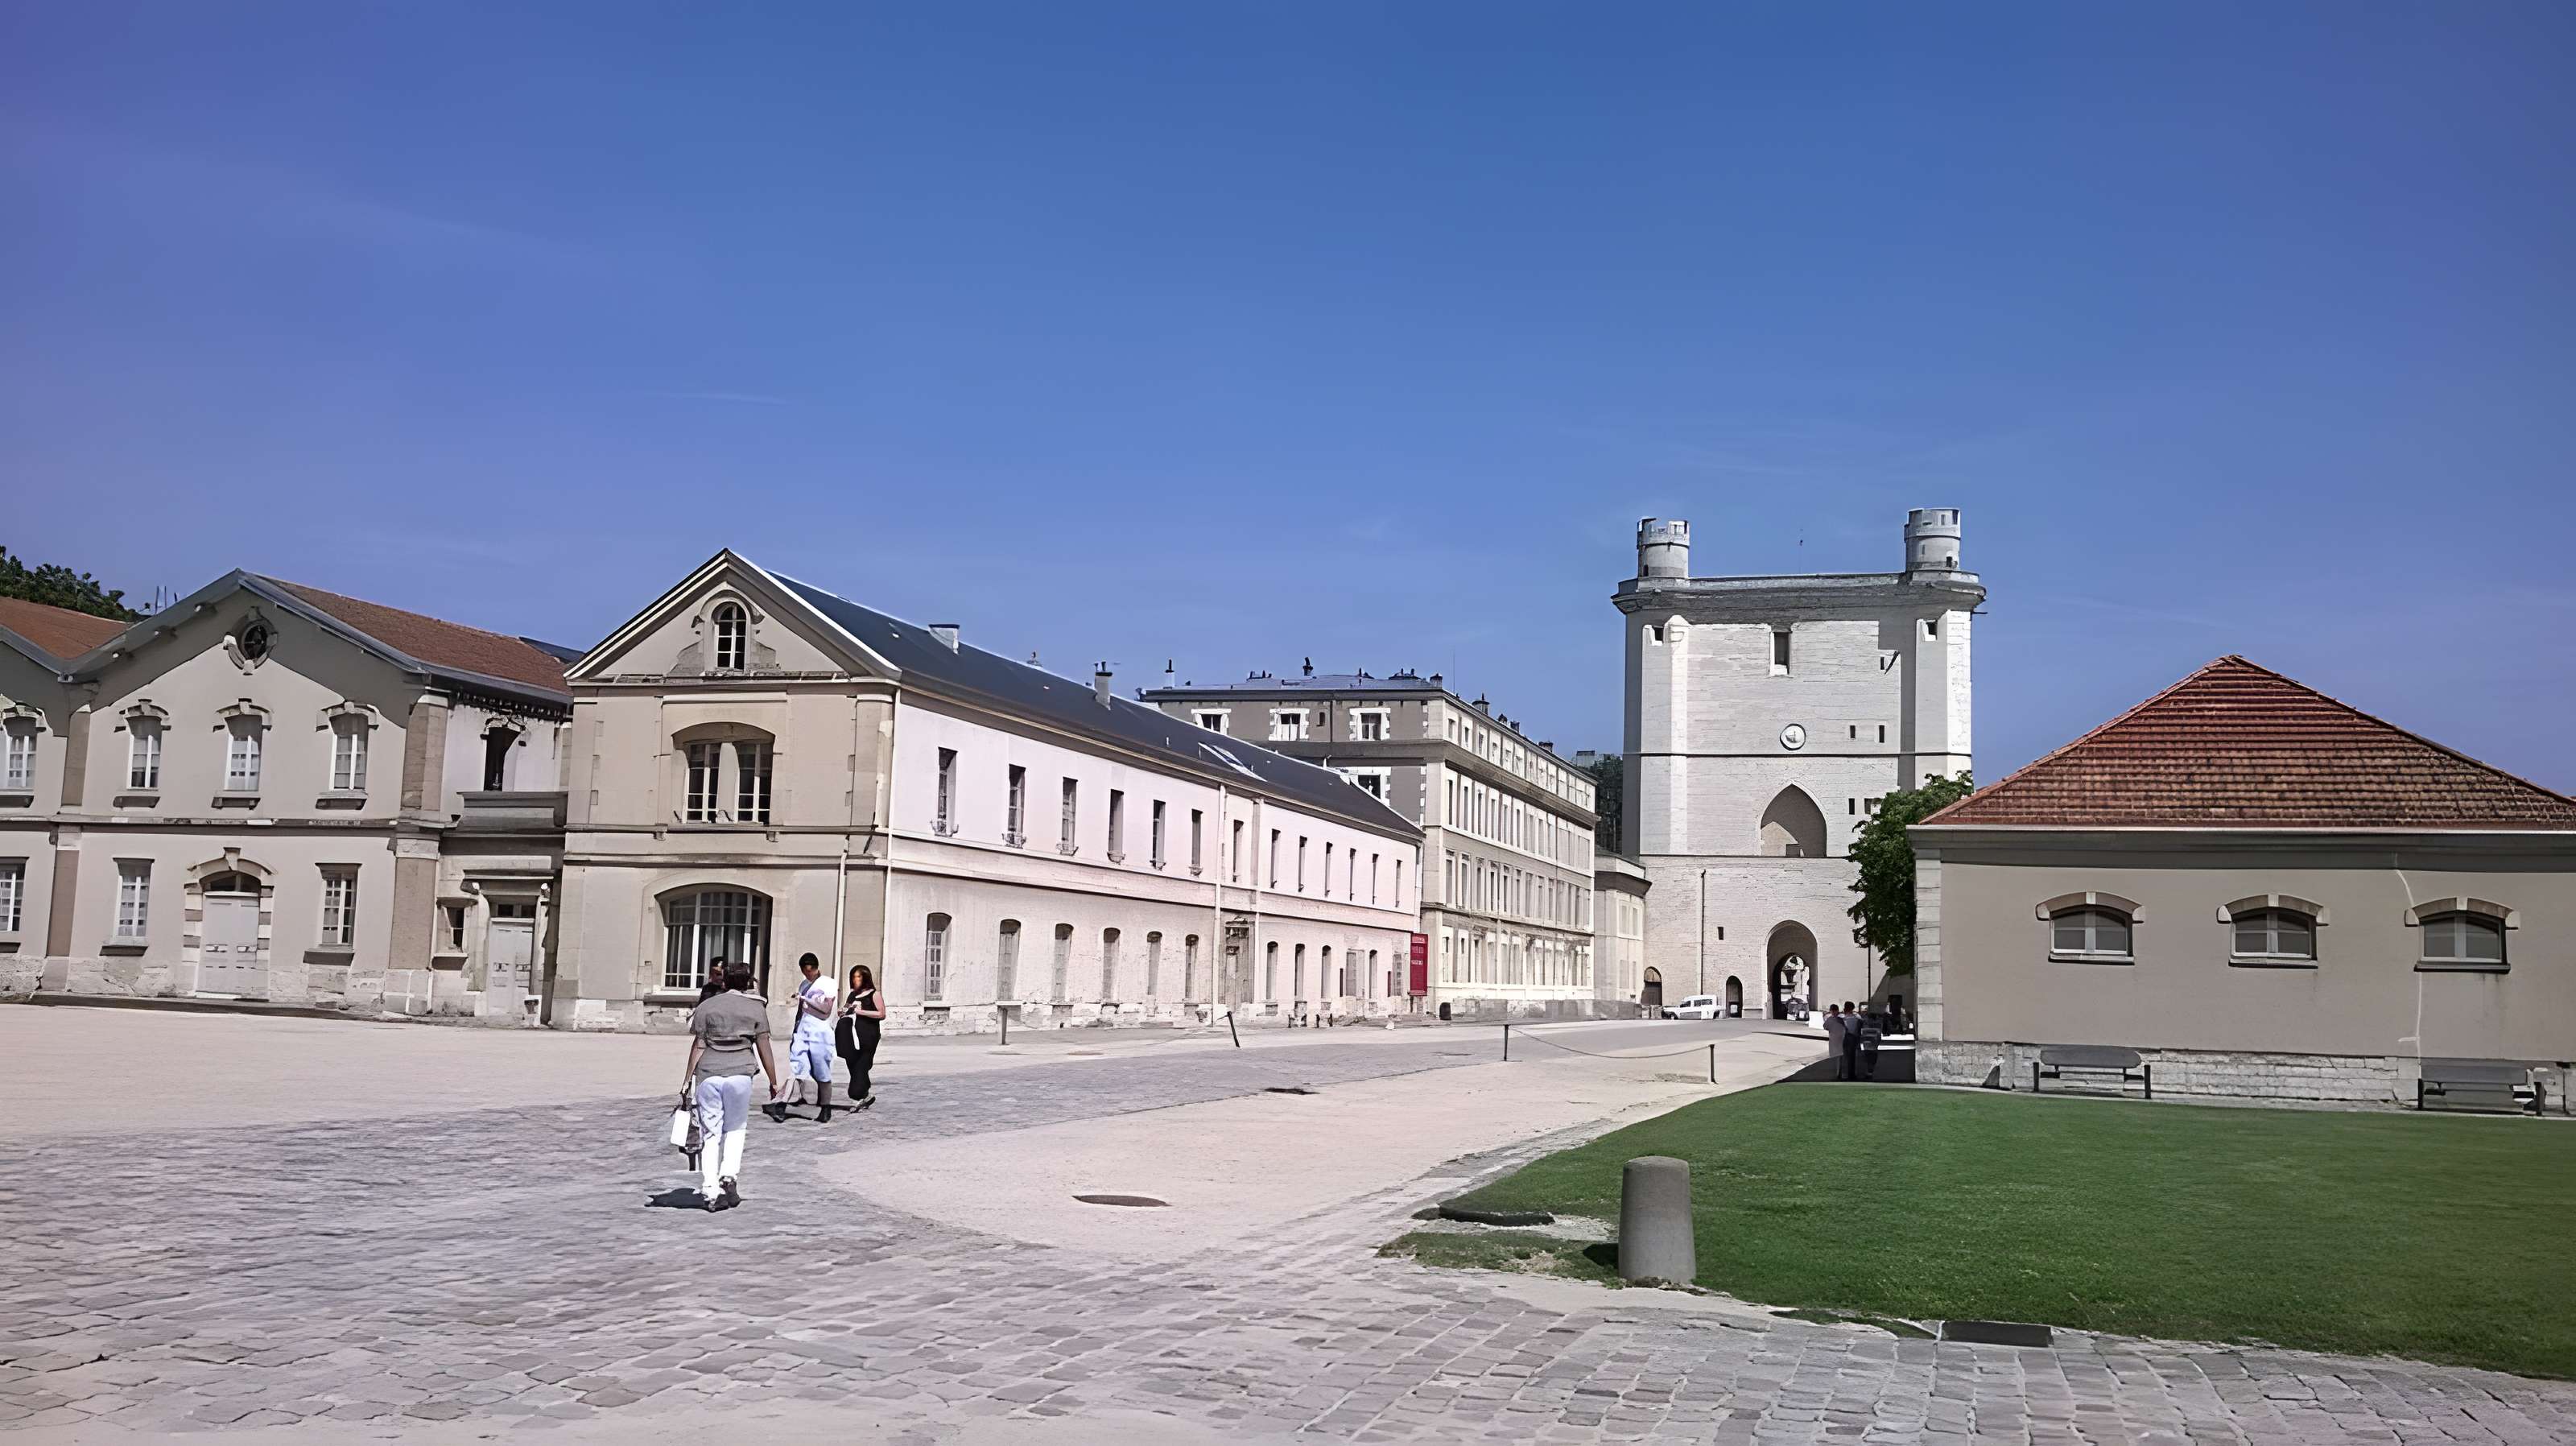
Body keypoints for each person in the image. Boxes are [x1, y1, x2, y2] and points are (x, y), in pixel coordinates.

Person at [681, 961, 779, 1213]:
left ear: (724, 981)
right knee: (736, 1127)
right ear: (749, 983)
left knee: (710, 1133)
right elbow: (763, 1044)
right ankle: (729, 1175)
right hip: (740, 1073)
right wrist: (773, 1080)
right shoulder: (756, 1008)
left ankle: (710, 1189)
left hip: (709, 1074)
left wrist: (686, 1080)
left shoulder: (707, 1006)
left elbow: (699, 1045)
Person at [769, 953, 836, 1123]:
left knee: (822, 1072)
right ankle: (781, 1105)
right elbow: (801, 1010)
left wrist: (805, 998)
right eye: (806, 972)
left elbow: (826, 1009)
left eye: (811, 971)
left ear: (815, 968)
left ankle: (826, 1108)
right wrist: (796, 1029)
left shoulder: (828, 983)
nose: (808, 975)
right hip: (803, 1032)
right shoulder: (804, 984)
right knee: (796, 1069)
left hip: (821, 1033)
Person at [836, 963, 886, 1108]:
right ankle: (865, 1095)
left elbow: (881, 1014)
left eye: (858, 977)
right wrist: (843, 1011)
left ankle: (857, 1093)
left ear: (865, 978)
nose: (855, 980)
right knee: (853, 1065)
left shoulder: (874, 994)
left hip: (868, 1036)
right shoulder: (852, 995)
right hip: (852, 1036)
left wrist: (860, 1011)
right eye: (853, 977)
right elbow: (847, 1009)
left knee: (863, 1065)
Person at [1858, 1004, 1885, 1081]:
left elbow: (1862, 1035)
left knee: (1866, 1060)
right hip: (1874, 1047)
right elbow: (1879, 1037)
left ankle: (1867, 1072)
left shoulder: (1865, 1026)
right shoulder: (1878, 1027)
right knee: (1872, 1061)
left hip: (1866, 1046)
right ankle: (1870, 1073)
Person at [1823, 1003, 1850, 1080]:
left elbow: (1825, 1027)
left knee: (1838, 1057)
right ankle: (1839, 1073)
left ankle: (1839, 1073)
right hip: (1838, 1040)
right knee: (1839, 1057)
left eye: (1834, 1011)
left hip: (1837, 1040)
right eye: (1833, 1011)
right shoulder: (1840, 1019)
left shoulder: (1834, 1020)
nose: (1833, 1012)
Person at [1839, 1001, 1863, 1082]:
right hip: (1854, 1039)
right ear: (1853, 1009)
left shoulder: (1842, 1018)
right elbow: (1859, 1030)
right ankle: (1852, 1075)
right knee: (1852, 1058)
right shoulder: (1857, 1019)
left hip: (1845, 1039)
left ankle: (1843, 1074)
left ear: (1845, 1008)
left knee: (1844, 1057)